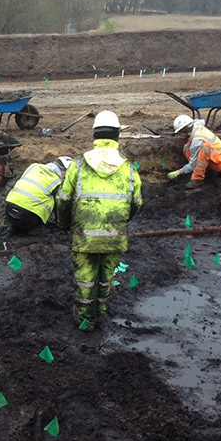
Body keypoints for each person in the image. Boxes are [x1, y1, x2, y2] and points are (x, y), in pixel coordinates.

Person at [56, 110, 142, 331]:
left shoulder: (78, 165)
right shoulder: (128, 168)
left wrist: (64, 225)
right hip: (114, 236)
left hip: (84, 237)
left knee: (85, 280)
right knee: (105, 280)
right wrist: (122, 222)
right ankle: (100, 315)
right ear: (117, 136)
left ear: (95, 134)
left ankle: (85, 321)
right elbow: (136, 203)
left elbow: (64, 200)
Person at [4, 156, 72, 234]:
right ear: (64, 172)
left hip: (9, 211)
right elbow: (60, 207)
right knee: (54, 198)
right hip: (27, 219)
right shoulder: (57, 182)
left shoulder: (34, 166)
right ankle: (35, 229)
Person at [167, 115, 221, 189]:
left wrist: (179, 172)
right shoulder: (196, 125)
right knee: (186, 147)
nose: (181, 134)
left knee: (204, 149)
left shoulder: (197, 141)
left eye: (181, 132)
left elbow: (193, 165)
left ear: (185, 131)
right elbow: (201, 121)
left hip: (218, 163)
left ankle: (197, 179)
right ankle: (199, 170)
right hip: (213, 157)